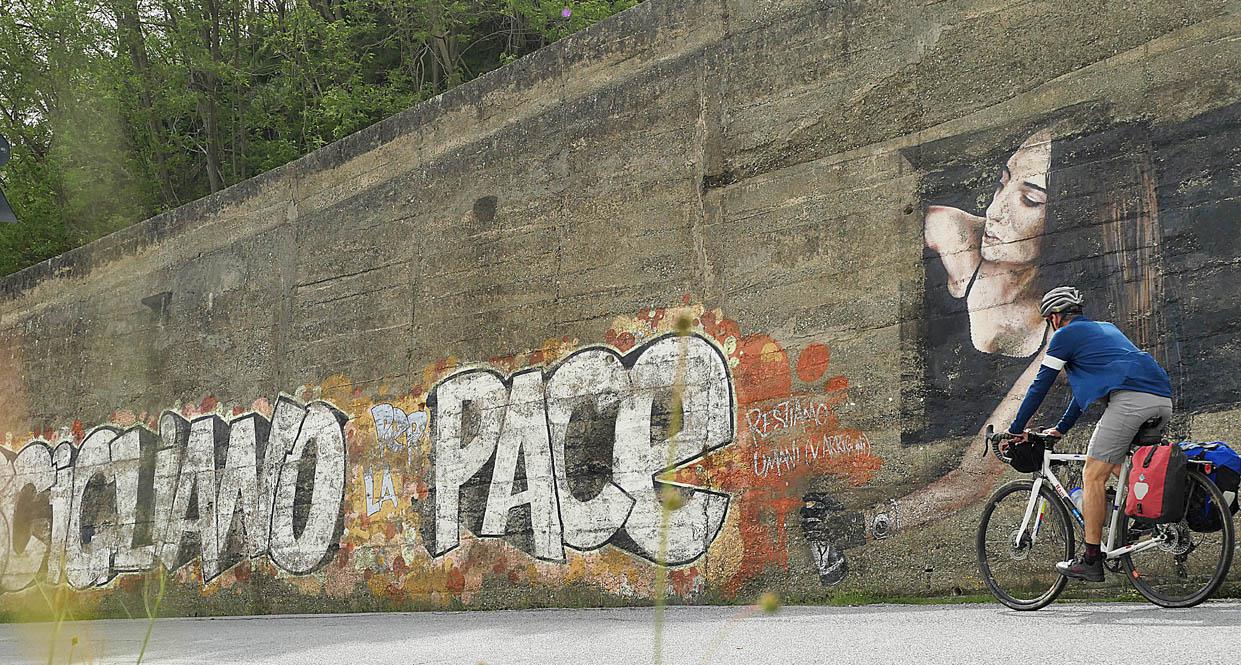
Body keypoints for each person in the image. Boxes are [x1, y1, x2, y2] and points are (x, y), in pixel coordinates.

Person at [1007, 286, 1173, 581]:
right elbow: (1083, 396)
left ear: (1055, 317)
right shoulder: (1104, 330)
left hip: (1131, 401)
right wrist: (1060, 429)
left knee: (1092, 473)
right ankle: (1144, 517)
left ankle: (1091, 559)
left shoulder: (1064, 336)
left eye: (1049, 320)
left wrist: (1016, 428)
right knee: (1116, 465)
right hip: (1161, 400)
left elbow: (1040, 385)